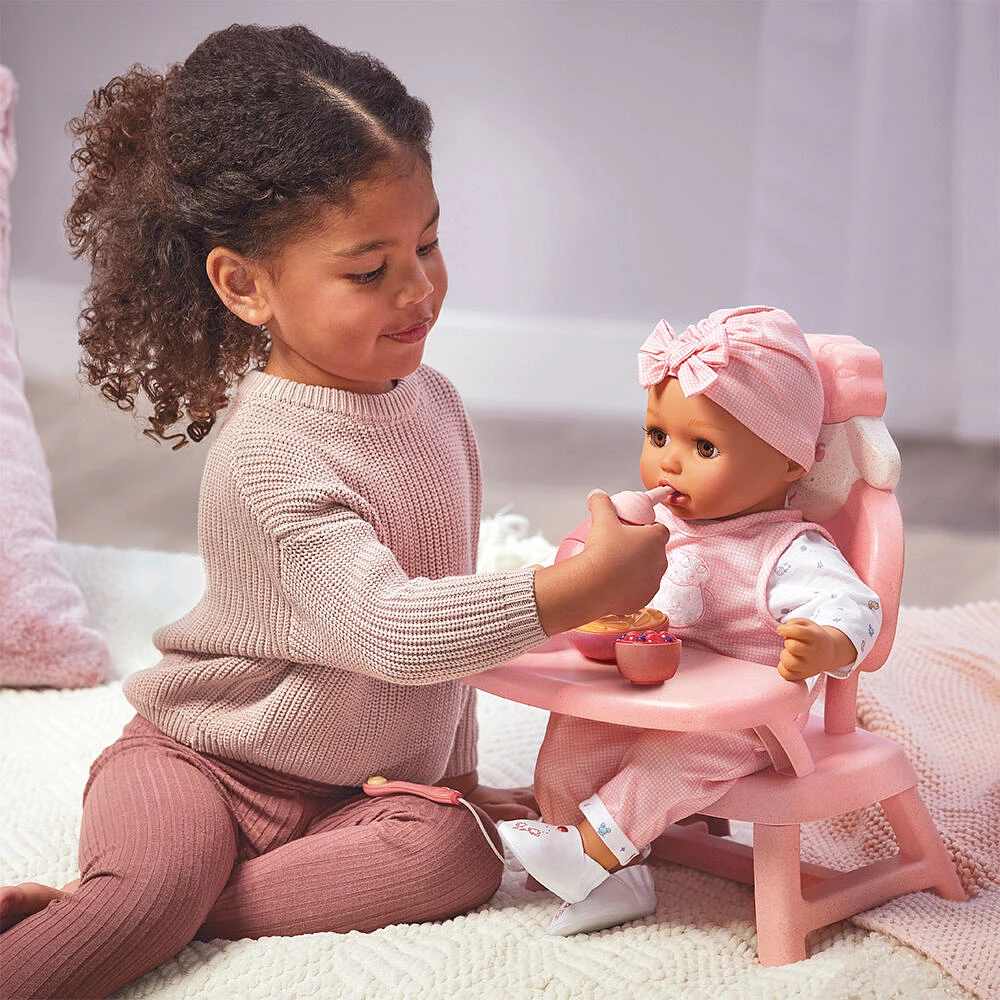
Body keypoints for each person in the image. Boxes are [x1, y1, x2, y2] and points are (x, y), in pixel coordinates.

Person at [0, 25, 669, 999]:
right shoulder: (270, 454)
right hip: (205, 762)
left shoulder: (431, 403)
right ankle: (131, 912)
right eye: (369, 270)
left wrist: (465, 775)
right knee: (151, 885)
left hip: (354, 794)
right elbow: (394, 627)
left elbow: (442, 616)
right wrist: (577, 590)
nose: (419, 287)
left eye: (429, 243)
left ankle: (171, 908)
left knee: (463, 853)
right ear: (245, 284)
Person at [498, 305, 883, 936]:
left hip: (743, 723)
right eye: (657, 437)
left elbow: (858, 606)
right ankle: (610, 878)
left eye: (703, 447)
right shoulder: (659, 529)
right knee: (572, 733)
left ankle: (590, 853)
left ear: (793, 463)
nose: (668, 464)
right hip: (653, 691)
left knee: (663, 768)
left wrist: (828, 643)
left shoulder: (790, 551)